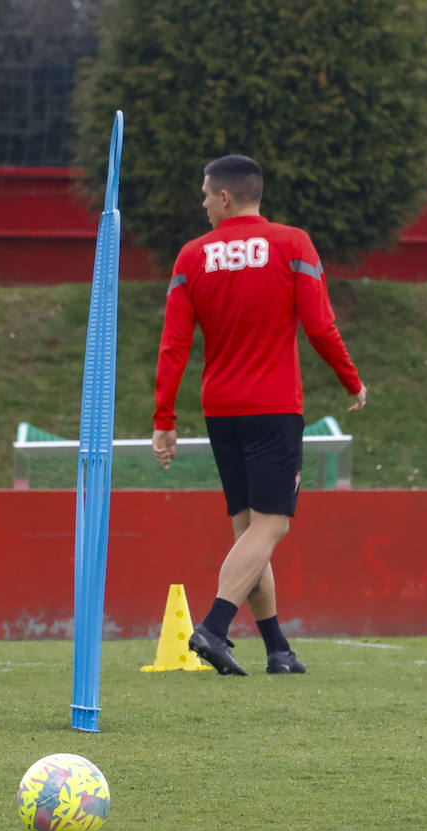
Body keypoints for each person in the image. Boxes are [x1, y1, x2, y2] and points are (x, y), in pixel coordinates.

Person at [152, 154, 366, 676]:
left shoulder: (191, 257)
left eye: (205, 194)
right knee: (271, 527)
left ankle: (277, 649)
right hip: (274, 407)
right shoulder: (292, 244)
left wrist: (164, 417)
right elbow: (320, 325)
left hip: (220, 410)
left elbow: (175, 344)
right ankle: (214, 627)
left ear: (225, 197)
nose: (203, 204)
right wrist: (350, 379)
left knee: (250, 530)